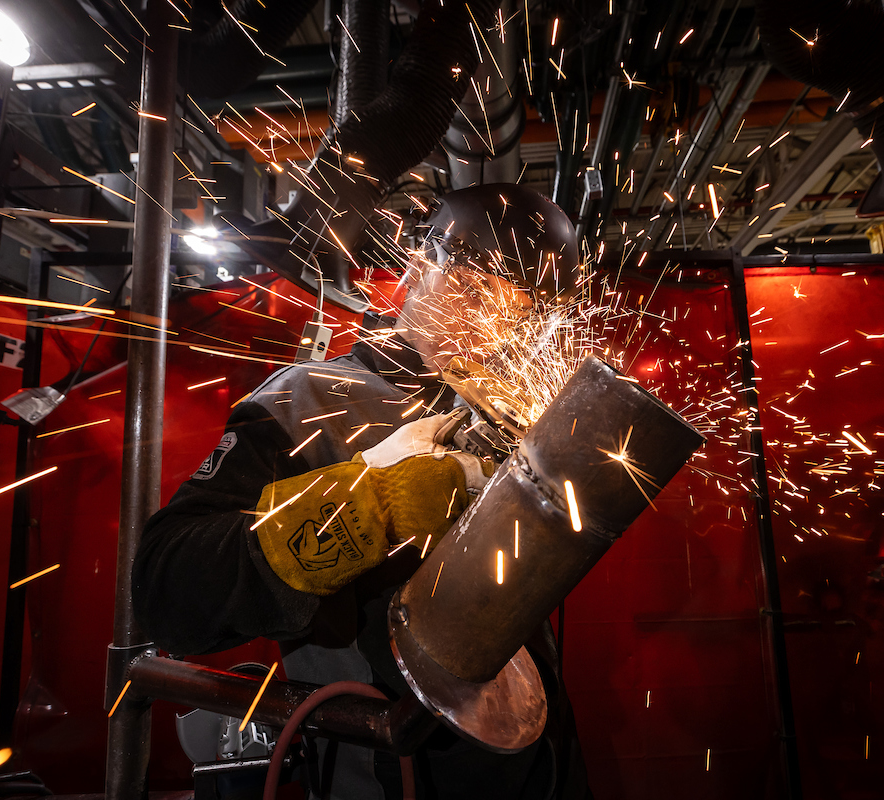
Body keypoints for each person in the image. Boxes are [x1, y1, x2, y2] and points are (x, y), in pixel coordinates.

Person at [133, 184, 589, 799]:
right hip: (390, 774)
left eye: (523, 311)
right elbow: (166, 589)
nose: (498, 326)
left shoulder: (512, 413)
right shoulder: (307, 401)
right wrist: (368, 502)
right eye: (478, 292)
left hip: (538, 770)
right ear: (419, 270)